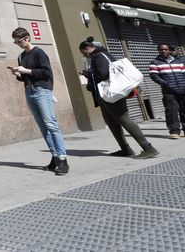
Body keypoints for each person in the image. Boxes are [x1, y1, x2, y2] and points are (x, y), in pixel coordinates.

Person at [79, 37, 158, 159]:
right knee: (111, 121)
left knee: (124, 119)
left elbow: (104, 73)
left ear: (88, 48)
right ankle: (125, 149)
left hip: (111, 93)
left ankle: (148, 148)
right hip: (104, 95)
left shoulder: (99, 55)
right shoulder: (99, 55)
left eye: (84, 52)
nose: (85, 55)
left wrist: (89, 75)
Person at [11, 27, 69, 175]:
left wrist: (27, 71)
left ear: (27, 38)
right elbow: (25, 77)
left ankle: (63, 159)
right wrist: (18, 74)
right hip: (29, 91)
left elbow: (46, 72)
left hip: (42, 90)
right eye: (16, 42)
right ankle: (55, 157)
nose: (18, 44)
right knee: (43, 127)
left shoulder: (39, 52)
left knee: (51, 124)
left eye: (20, 41)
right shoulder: (21, 56)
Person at [149, 43, 185, 139]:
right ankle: (174, 132)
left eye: (165, 49)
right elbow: (154, 76)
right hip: (169, 91)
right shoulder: (155, 62)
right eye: (161, 49)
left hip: (184, 89)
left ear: (169, 50)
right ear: (158, 51)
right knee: (171, 111)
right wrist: (165, 84)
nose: (163, 51)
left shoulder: (178, 61)